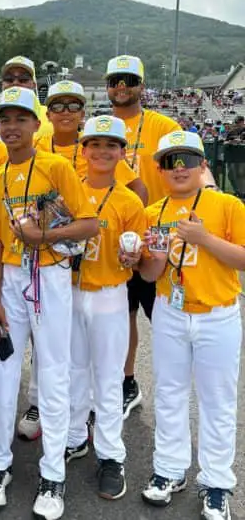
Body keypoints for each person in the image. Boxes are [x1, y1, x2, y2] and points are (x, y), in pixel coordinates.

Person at [0, 87, 98, 520]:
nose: (11, 127)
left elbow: (90, 223)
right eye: (4, 119)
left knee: (52, 371)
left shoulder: (56, 167)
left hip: (48, 274)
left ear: (35, 124)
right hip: (11, 278)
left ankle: (53, 474)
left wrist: (44, 237)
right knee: (5, 370)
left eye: (19, 118)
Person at [139, 131, 245, 519]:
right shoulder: (155, 212)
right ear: (160, 170)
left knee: (217, 401)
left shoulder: (227, 205)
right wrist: (152, 256)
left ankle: (216, 483)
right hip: (170, 311)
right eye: (170, 161)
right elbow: (150, 276)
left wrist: (204, 238)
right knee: (169, 392)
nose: (178, 168)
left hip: (218, 314)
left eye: (186, 159)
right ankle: (169, 470)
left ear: (203, 165)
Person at [64, 115, 145, 503]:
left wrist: (133, 257)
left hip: (111, 292)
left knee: (109, 378)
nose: (101, 151)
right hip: (72, 290)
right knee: (73, 369)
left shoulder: (129, 200)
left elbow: (136, 253)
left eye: (111, 145)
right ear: (84, 150)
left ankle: (112, 455)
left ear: (121, 153)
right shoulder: (68, 191)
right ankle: (76, 436)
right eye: (95, 144)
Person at [105, 55, 180, 418]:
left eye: (129, 80)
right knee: (124, 316)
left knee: (164, 318)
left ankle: (173, 391)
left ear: (141, 85)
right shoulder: (99, 126)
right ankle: (127, 381)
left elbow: (189, 169)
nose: (121, 86)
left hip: (156, 237)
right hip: (113, 239)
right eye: (115, 80)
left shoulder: (163, 125)